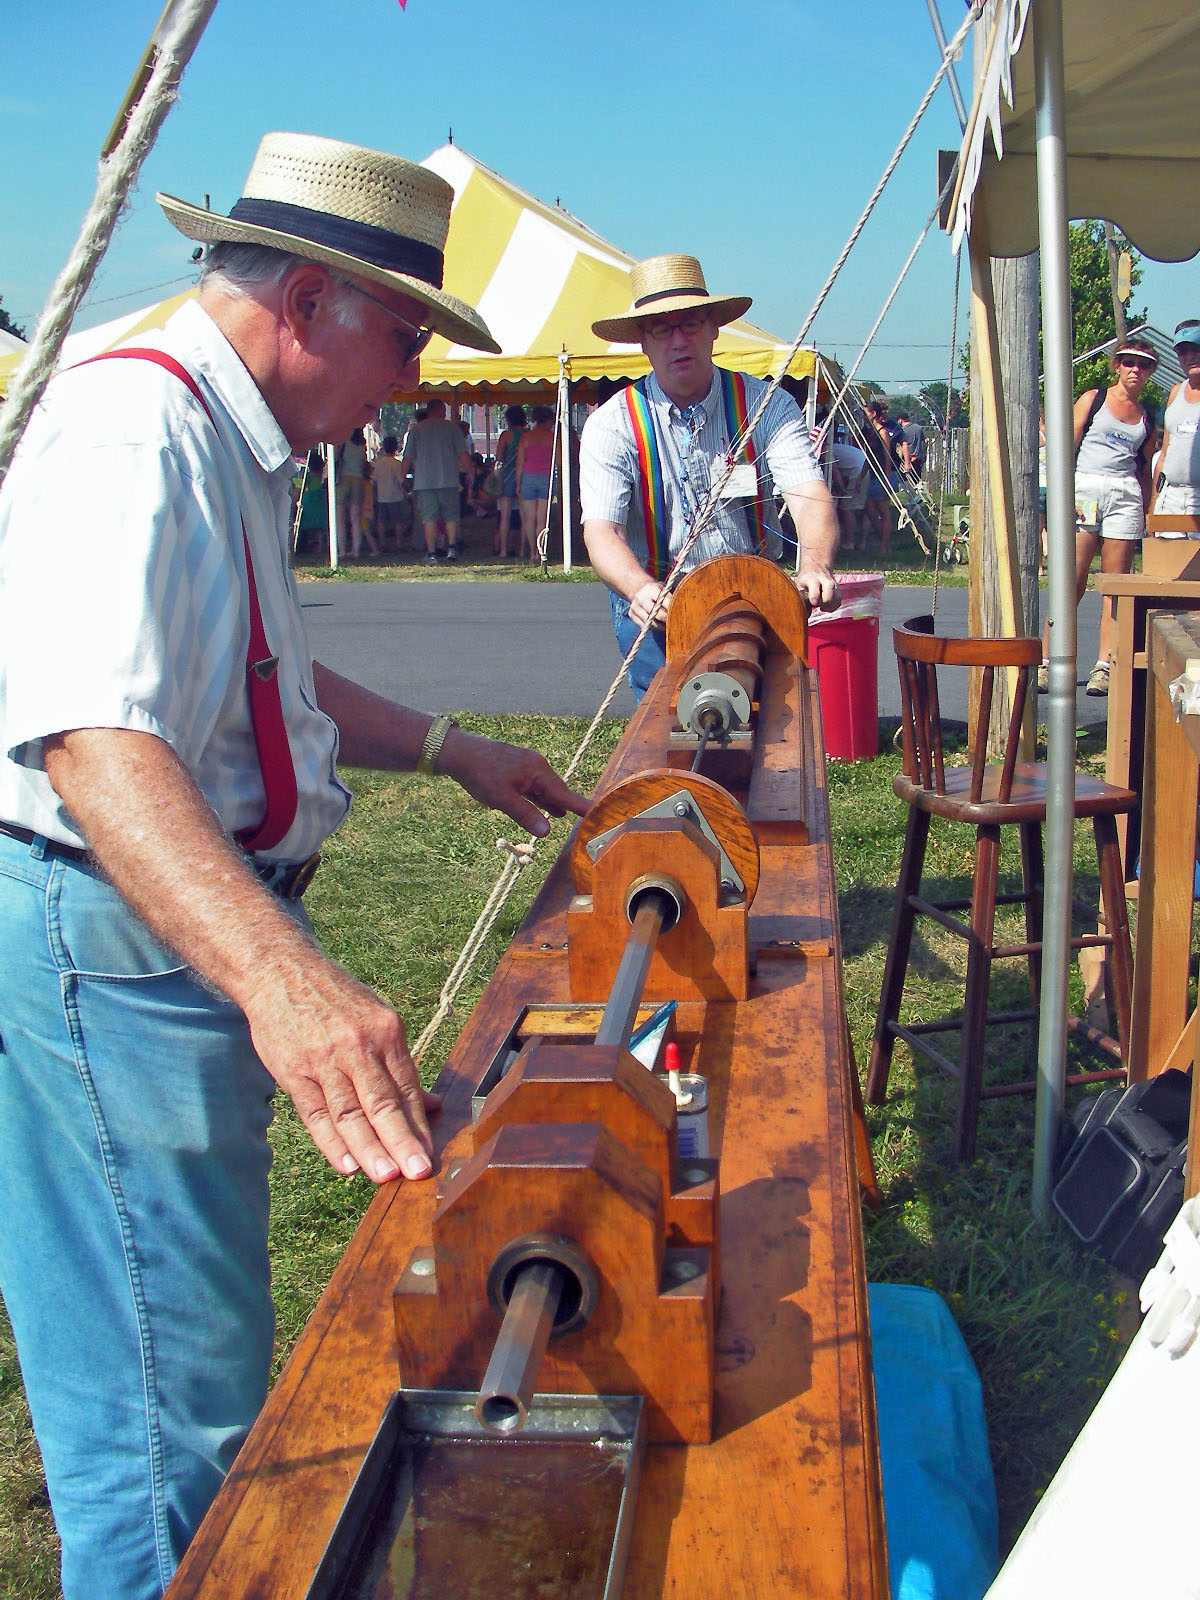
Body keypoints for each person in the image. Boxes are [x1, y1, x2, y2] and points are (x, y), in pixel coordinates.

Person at [0, 130, 586, 1600]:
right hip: (115, 943)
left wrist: (450, 745)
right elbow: (93, 737)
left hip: (160, 938)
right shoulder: (137, 429)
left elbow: (256, 675)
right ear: (312, 301)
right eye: (401, 337)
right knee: (163, 1416)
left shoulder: (225, 431)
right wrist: (287, 984)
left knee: (192, 1364)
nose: (408, 377)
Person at [579, 253, 839, 700]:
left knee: (770, 730)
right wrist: (640, 589)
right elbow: (603, 531)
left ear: (714, 327)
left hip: (757, 601)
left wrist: (815, 564)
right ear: (643, 340)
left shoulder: (769, 405)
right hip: (657, 614)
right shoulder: (611, 424)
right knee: (668, 736)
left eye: (691, 323)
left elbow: (809, 495)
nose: (679, 340)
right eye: (662, 327)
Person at [1039, 333, 1159, 696]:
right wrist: (1059, 496)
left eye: (1143, 364)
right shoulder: (1094, 399)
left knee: (1115, 584)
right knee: (1071, 580)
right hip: (1085, 488)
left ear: (1151, 371)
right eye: (1129, 362)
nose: (1135, 369)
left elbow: (1145, 470)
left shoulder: (1147, 417)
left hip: (1124, 493)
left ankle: (1105, 665)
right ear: (1117, 365)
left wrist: (1149, 513)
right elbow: (1064, 447)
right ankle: (1049, 660)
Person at [401, 398, 472, 563]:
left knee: (429, 518)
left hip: (425, 482)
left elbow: (407, 457)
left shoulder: (416, 430)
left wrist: (402, 477)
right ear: (441, 411)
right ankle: (452, 549)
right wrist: (470, 471)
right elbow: (463, 454)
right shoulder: (452, 428)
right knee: (451, 516)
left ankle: (432, 553)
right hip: (449, 480)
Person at [1151, 317, 1200, 523]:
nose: (1190, 356)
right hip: (1170, 498)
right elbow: (1164, 455)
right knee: (1167, 556)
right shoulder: (1174, 392)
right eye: (1183, 351)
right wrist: (1154, 505)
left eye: (1196, 348)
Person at [517, 403, 556, 563]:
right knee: (542, 518)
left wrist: (518, 483)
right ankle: (541, 552)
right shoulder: (551, 438)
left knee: (529, 517)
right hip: (545, 477)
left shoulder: (526, 437)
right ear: (547, 421)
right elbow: (559, 460)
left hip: (527, 477)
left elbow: (519, 463)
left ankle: (532, 550)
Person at [337, 426, 376, 558]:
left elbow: (336, 459)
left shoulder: (342, 442)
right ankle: (356, 550)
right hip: (358, 480)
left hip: (343, 479)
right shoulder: (362, 445)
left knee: (340, 517)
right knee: (356, 518)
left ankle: (342, 550)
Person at [493, 403, 526, 557]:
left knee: (504, 516)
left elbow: (499, 457)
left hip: (506, 477)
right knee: (524, 515)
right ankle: (522, 549)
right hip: (524, 476)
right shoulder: (527, 434)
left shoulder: (506, 435)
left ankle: (503, 550)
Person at [372, 432, 411, 551]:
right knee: (398, 521)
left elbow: (373, 480)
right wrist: (406, 491)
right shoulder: (397, 464)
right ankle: (399, 545)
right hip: (396, 497)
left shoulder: (378, 464)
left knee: (381, 521)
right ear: (396, 448)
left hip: (381, 497)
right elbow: (401, 481)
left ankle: (382, 544)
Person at [896, 409, 925, 486]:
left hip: (907, 460)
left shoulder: (902, 430)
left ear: (900, 420)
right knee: (916, 480)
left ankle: (912, 496)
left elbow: (901, 447)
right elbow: (923, 443)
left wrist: (899, 459)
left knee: (906, 481)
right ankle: (918, 495)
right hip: (918, 458)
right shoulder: (919, 428)